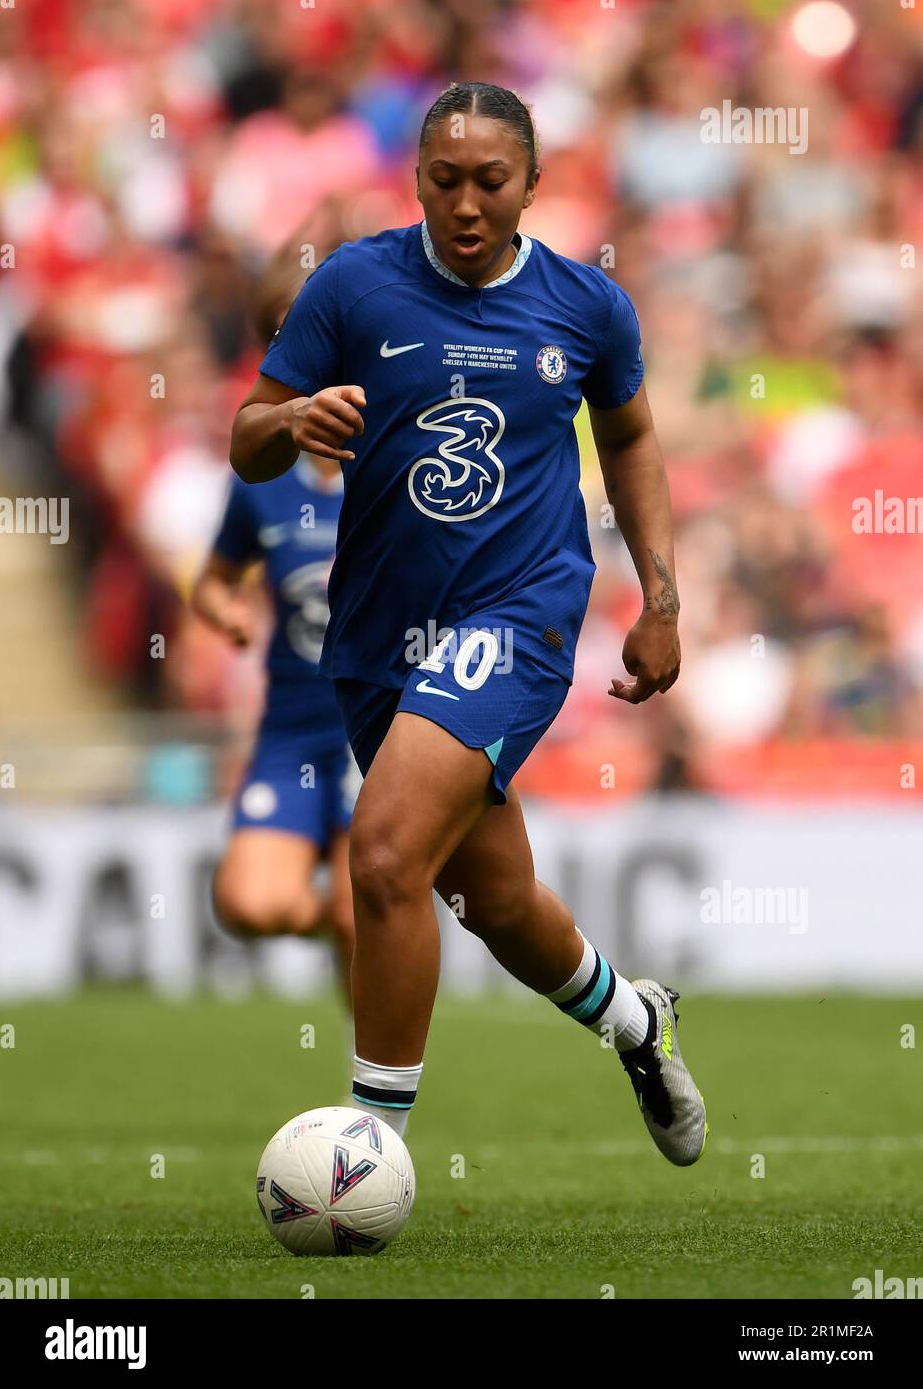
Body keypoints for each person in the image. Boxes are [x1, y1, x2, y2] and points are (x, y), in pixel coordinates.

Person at [229, 82, 707, 1165]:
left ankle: (368, 1150)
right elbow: (246, 436)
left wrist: (661, 596)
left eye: (491, 180)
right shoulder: (351, 286)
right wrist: (291, 418)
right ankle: (637, 1022)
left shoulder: (587, 307)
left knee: (385, 851)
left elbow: (630, 439)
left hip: (520, 610)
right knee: (489, 897)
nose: (467, 202)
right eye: (444, 180)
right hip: (375, 631)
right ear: (417, 182)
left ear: (533, 184)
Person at [193, 246, 357, 1009]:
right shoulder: (260, 482)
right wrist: (223, 610)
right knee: (247, 904)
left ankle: (381, 1112)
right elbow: (215, 580)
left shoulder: (398, 463)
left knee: (369, 909)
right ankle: (353, 927)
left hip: (379, 726)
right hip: (291, 725)